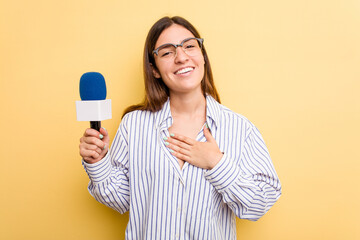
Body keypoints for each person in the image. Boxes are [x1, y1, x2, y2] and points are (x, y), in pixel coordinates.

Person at [79, 16, 281, 240]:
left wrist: (217, 164)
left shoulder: (241, 129)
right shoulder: (133, 125)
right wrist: (97, 162)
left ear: (203, 57)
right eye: (167, 52)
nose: (181, 57)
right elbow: (120, 201)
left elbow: (259, 205)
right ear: (154, 69)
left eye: (189, 46)